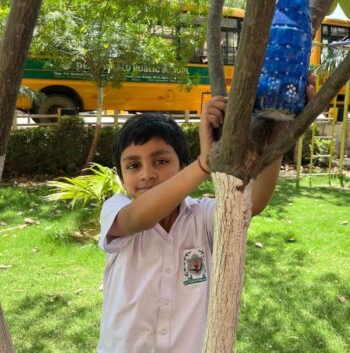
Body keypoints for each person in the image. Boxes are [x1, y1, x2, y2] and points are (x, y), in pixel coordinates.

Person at [97, 78, 315, 352]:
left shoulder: (202, 216)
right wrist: (204, 164)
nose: (146, 174)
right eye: (133, 166)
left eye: (161, 161)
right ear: (120, 175)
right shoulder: (116, 209)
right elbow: (138, 219)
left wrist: (280, 130)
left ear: (182, 165)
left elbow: (252, 203)